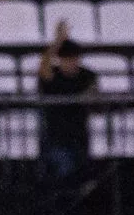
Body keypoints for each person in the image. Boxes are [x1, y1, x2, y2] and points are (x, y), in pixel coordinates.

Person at [37, 24, 97, 178]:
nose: (71, 62)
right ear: (60, 59)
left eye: (74, 58)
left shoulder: (87, 75)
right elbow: (43, 68)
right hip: (56, 137)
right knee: (64, 173)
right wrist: (57, 41)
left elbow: (92, 94)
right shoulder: (54, 76)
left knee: (81, 176)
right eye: (67, 59)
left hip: (80, 136)